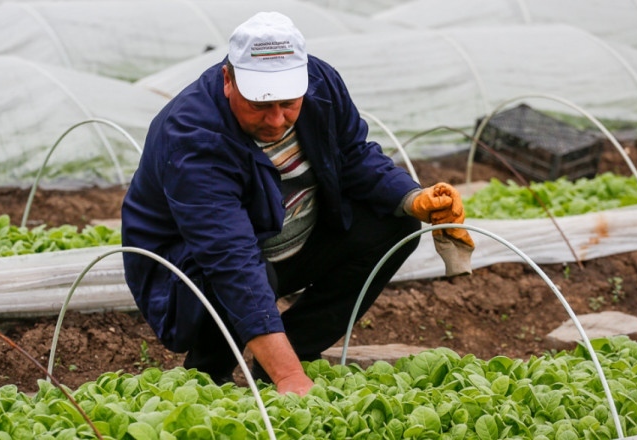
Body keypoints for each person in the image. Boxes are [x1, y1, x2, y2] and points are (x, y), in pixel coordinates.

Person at [121, 11, 474, 396]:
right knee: (245, 274)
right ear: (228, 81)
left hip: (290, 239)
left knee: (395, 225)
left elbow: (353, 156)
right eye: (260, 105)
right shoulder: (193, 136)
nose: (276, 120)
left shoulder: (320, 84)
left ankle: (291, 356)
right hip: (188, 275)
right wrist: (290, 378)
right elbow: (228, 258)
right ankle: (210, 375)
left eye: (288, 104)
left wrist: (414, 198)